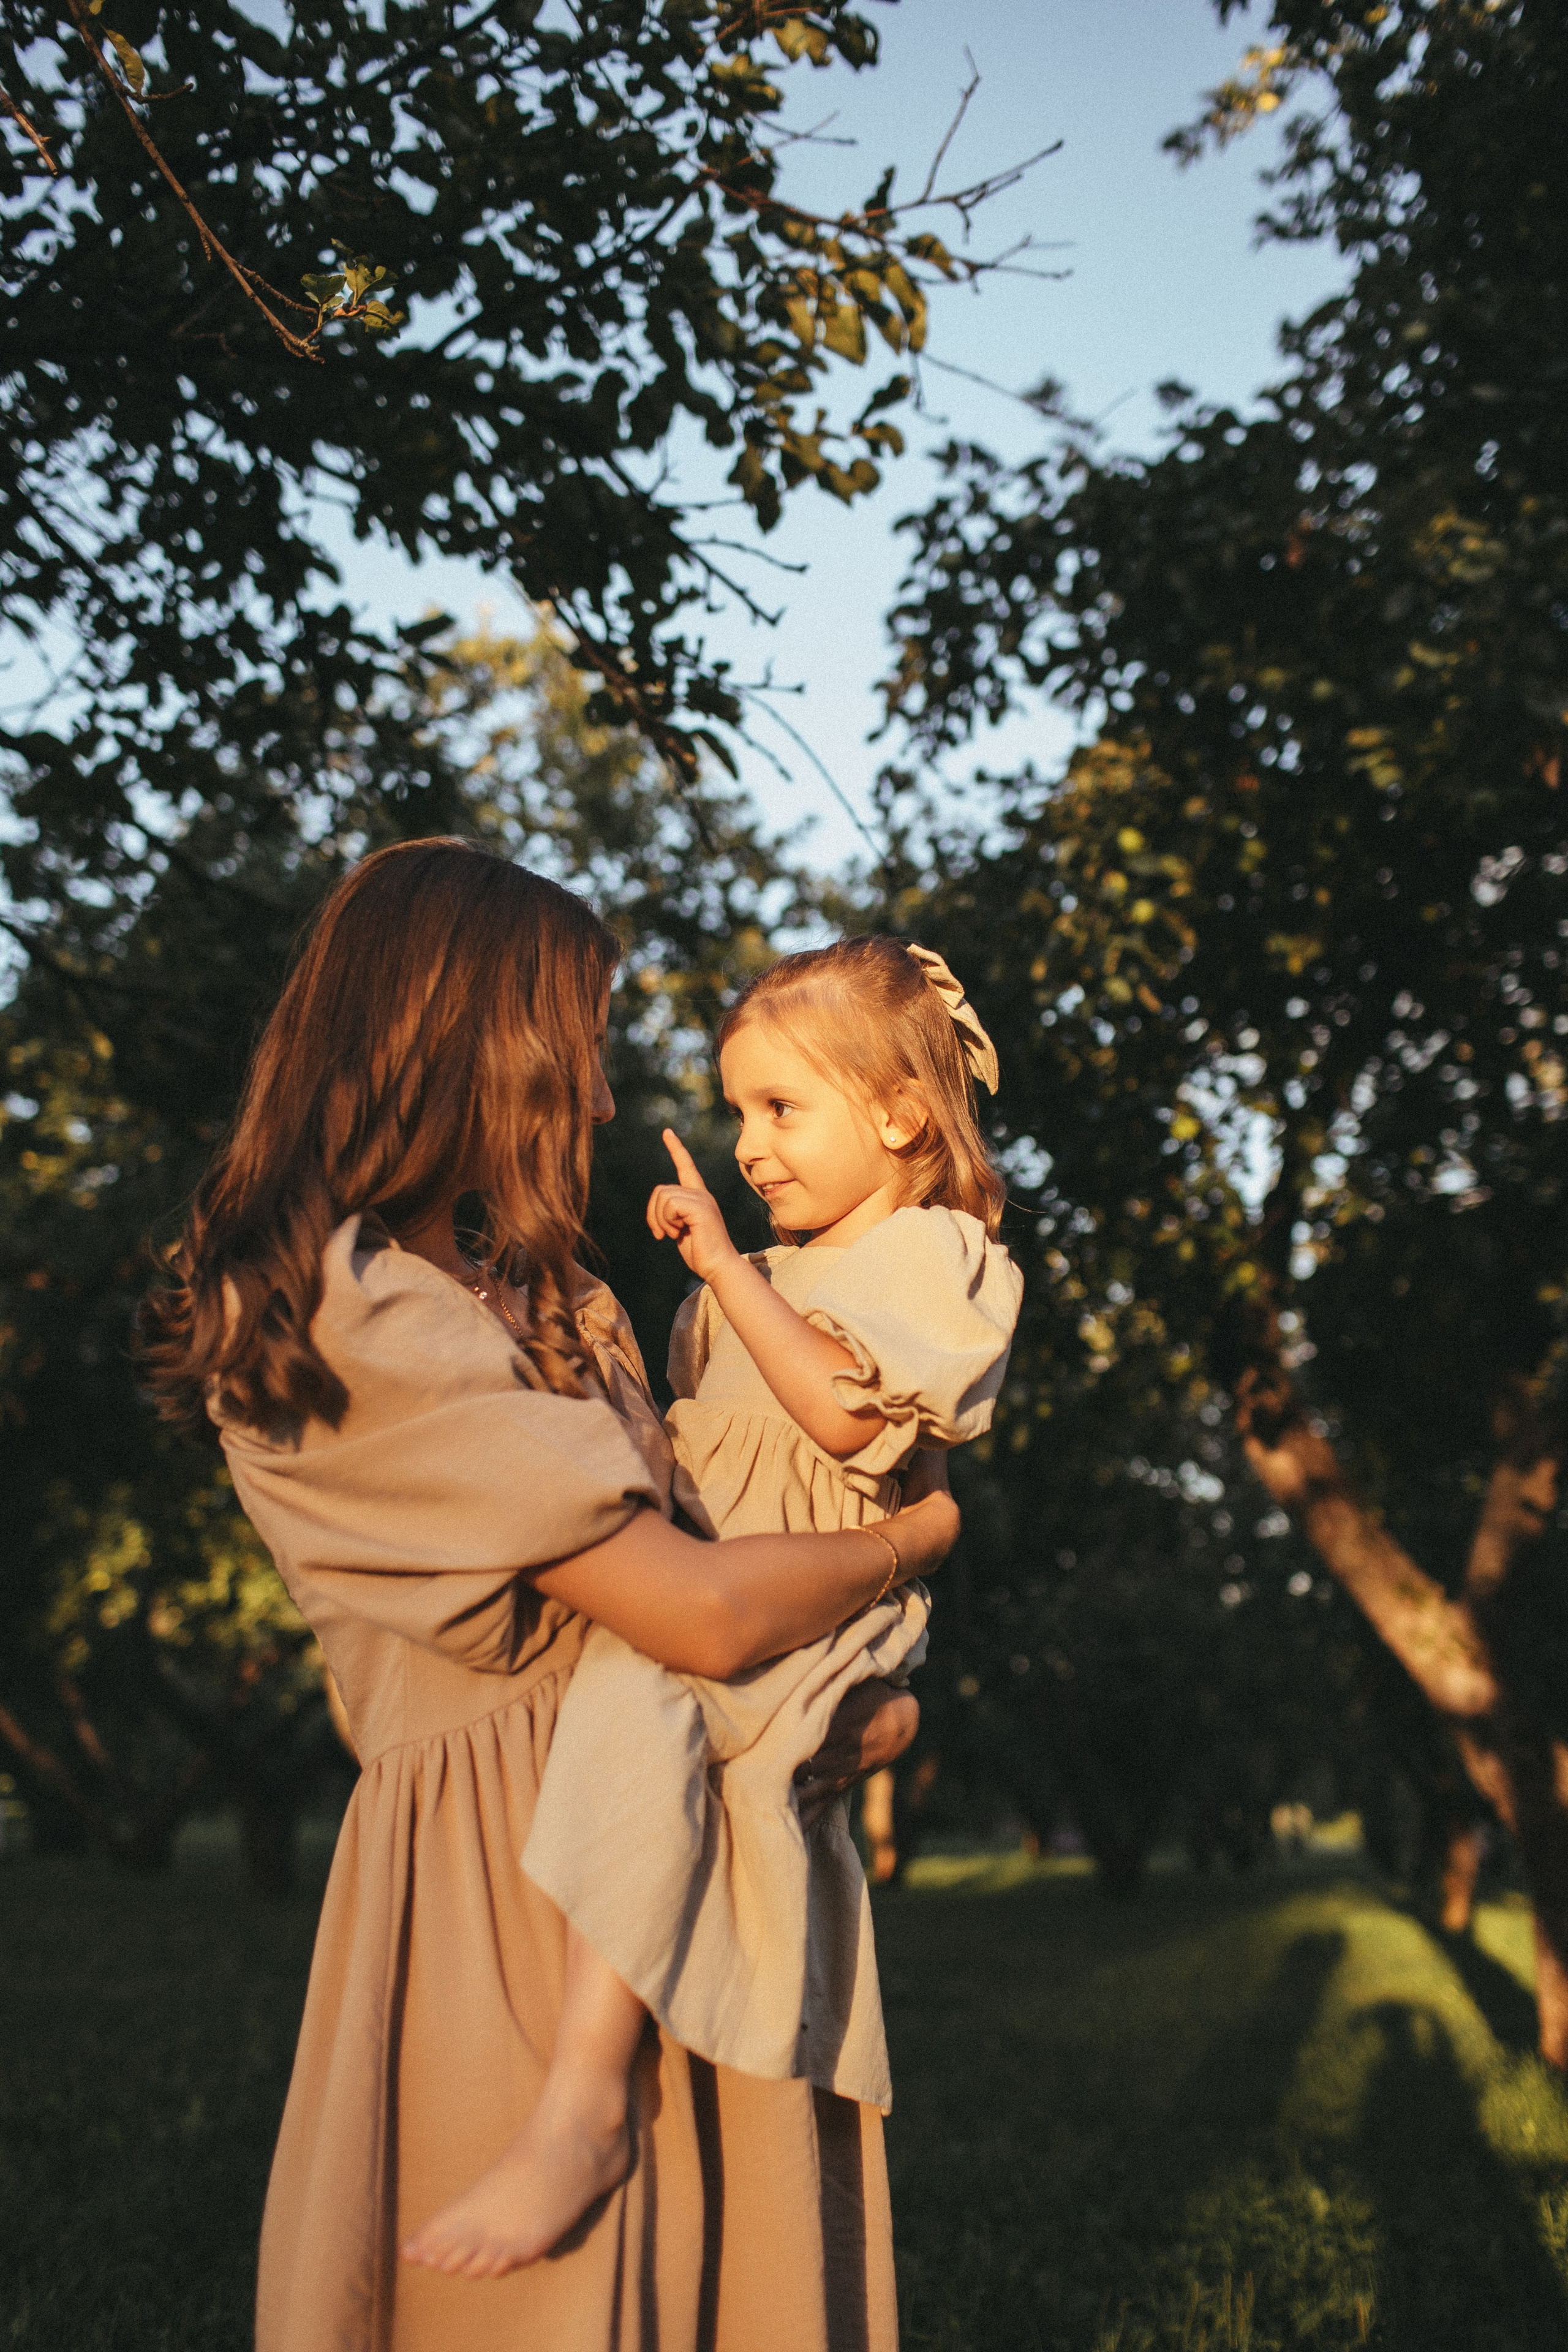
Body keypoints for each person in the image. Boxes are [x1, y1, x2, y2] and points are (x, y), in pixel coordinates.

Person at [137, 842, 958, 2352]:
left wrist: (870, 1708)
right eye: (572, 1054)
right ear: (466, 1045)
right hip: (507, 1878)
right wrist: (917, 1543)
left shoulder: (567, 1300)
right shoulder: (347, 1310)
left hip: (709, 1832)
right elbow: (703, 1612)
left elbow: (749, 1572)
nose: (593, 1103)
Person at [405, 935, 1022, 2280]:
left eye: (780, 1108)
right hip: (726, 1575)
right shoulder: (770, 1281)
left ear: (901, 1114)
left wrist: (732, 1273)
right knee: (648, 1714)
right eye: (739, 1110)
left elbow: (844, 1419)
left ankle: (581, 2105)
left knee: (648, 1699)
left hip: (813, 1593)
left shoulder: (936, 1256)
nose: (747, 1143)